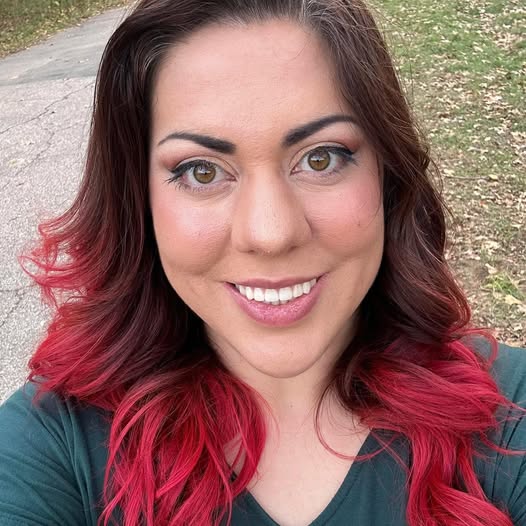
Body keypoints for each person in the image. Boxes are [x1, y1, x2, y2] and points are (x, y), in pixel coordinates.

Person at [0, 0, 525, 525]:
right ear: (138, 201)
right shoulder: (53, 442)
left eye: (321, 158)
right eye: (202, 171)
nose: (271, 234)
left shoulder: (509, 416)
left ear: (389, 175)